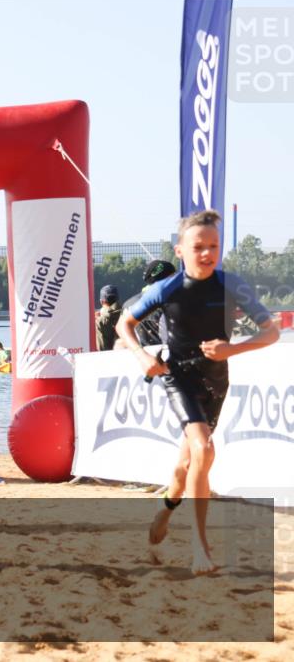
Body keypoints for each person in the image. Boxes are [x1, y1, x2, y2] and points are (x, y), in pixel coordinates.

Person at [116, 210, 279, 575]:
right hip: (178, 377)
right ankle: (200, 547)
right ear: (180, 250)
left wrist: (231, 350)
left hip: (216, 379)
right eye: (198, 247)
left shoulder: (231, 285)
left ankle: (165, 510)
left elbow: (270, 332)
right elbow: (124, 323)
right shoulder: (166, 289)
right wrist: (142, 356)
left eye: (214, 247)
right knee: (205, 448)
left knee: (187, 465)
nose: (207, 254)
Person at [121, 260, 177, 347]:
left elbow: (121, 330)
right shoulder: (170, 303)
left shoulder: (128, 304)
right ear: (166, 279)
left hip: (137, 356)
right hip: (164, 355)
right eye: (173, 276)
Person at [95, 284, 122, 351]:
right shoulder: (128, 314)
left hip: (110, 359)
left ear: (101, 301)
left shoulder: (99, 322)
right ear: (117, 299)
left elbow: (102, 349)